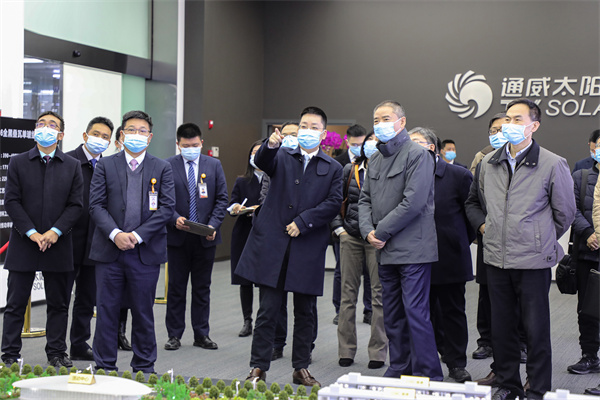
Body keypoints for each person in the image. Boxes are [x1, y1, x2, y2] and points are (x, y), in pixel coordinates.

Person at [465, 98, 575, 400]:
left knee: (535, 328)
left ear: (533, 126)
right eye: (507, 119)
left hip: (533, 261)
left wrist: (538, 238)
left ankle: (537, 387)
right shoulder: (488, 163)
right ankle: (507, 383)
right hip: (495, 259)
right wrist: (485, 228)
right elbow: (474, 202)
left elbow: (564, 212)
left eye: (517, 120)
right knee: (501, 328)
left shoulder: (553, 163)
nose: (509, 125)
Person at [236, 106, 343, 386]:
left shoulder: (333, 168)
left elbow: (333, 203)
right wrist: (270, 145)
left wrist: (303, 221)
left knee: (305, 312)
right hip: (273, 245)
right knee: (268, 310)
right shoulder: (281, 155)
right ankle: (258, 367)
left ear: (323, 133)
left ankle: (301, 367)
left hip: (307, 245)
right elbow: (262, 161)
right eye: (303, 125)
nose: (307, 131)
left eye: (313, 127)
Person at [358, 100, 442, 380]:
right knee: (391, 314)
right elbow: (364, 199)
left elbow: (413, 202)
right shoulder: (375, 159)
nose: (380, 124)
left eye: (386, 118)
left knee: (416, 314)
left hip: (414, 250)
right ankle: (399, 366)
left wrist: (380, 232)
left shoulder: (418, 155)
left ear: (401, 122)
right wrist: (367, 231)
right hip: (385, 250)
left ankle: (428, 374)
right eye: (376, 119)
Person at [89, 110, 175, 373]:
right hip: (109, 251)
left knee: (143, 311)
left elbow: (167, 208)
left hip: (145, 252)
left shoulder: (162, 167)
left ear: (149, 137)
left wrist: (137, 236)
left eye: (142, 131)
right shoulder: (105, 165)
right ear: (122, 135)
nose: (136, 134)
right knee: (106, 311)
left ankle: (144, 366)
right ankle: (104, 366)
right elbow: (96, 205)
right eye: (131, 130)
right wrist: (116, 234)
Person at [1, 111, 83, 368]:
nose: (45, 128)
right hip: (24, 242)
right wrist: (32, 232)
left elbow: (76, 205)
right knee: (15, 303)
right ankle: (9, 355)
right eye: (41, 124)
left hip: (58, 243)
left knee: (59, 303)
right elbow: (11, 201)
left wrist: (54, 232)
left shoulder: (72, 165)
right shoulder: (18, 162)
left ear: (60, 134)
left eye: (52, 125)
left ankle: (56, 352)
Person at [409, 127, 475, 383]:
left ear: (432, 147)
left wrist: (457, 241)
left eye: (417, 143)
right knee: (421, 313)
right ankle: (427, 361)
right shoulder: (406, 174)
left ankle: (456, 362)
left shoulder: (458, 175)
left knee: (452, 312)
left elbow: (471, 217)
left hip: (450, 256)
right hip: (415, 258)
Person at [164, 123, 228, 351]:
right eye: (185, 146)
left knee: (202, 288)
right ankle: (174, 334)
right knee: (176, 288)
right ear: (178, 145)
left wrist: (212, 226)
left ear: (201, 143)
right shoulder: (168, 166)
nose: (190, 149)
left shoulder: (214, 165)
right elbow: (163, 200)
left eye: (194, 145)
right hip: (178, 237)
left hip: (205, 238)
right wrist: (174, 218)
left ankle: (202, 334)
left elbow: (222, 199)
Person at [331, 132, 387, 369]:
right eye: (369, 141)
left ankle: (378, 352)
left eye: (377, 141)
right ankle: (346, 350)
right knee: (348, 295)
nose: (372, 144)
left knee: (379, 296)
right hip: (351, 237)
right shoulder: (350, 170)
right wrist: (340, 230)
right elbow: (336, 200)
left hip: (377, 239)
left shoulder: (388, 170)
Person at [66, 116, 114, 361]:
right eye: (96, 134)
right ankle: (56, 348)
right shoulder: (67, 161)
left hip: (96, 243)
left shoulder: (109, 167)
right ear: (85, 136)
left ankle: (78, 344)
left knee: (86, 298)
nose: (100, 139)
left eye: (105, 137)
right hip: (67, 241)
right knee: (61, 299)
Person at [332, 124, 372, 326]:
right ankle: (339, 310)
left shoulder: (381, 166)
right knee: (343, 274)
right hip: (347, 230)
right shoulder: (339, 164)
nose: (359, 147)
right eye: (354, 144)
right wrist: (340, 229)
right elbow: (334, 199)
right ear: (347, 142)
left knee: (371, 275)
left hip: (371, 233)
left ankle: (369, 310)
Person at [568, 141, 600, 375]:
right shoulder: (581, 176)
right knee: (587, 310)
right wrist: (588, 233)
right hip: (587, 253)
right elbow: (571, 209)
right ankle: (589, 356)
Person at [228, 141, 264, 337]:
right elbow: (232, 203)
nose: (256, 156)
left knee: (265, 280)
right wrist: (235, 208)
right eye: (253, 152)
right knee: (245, 280)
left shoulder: (274, 178)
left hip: (265, 234)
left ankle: (263, 320)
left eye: (260, 152)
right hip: (244, 232)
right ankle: (247, 320)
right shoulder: (242, 181)